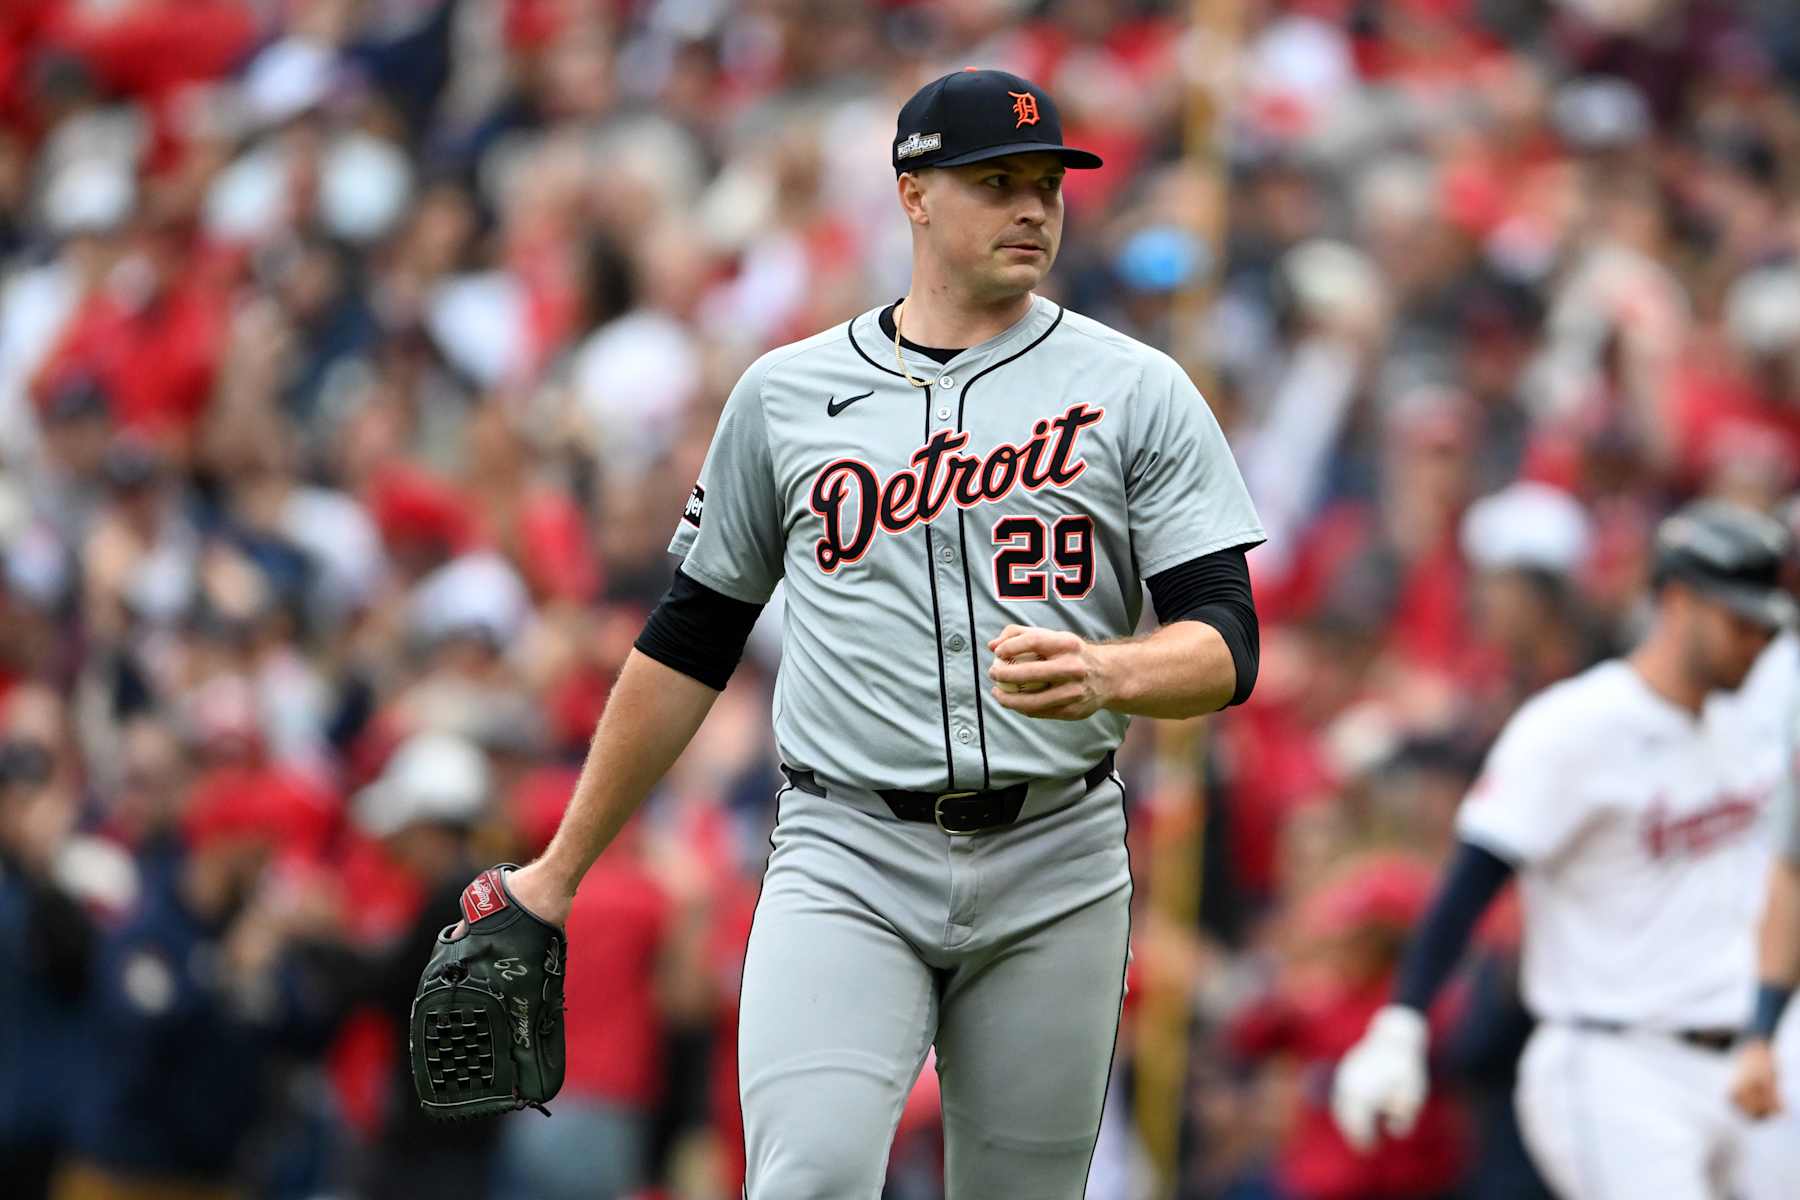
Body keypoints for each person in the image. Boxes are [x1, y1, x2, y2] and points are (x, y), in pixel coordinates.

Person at [472, 67, 1265, 1197]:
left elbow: (1227, 642)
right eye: (998, 182)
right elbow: (690, 639)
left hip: (1059, 857)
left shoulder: (1139, 389)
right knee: (808, 1179)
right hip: (848, 851)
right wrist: (559, 869)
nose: (1035, 209)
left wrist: (1110, 668)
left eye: (1047, 184)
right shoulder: (785, 394)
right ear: (914, 194)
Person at [1330, 500, 1797, 1200]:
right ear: (1676, 601)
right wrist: (1402, 1025)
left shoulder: (1754, 720)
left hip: (1751, 1056)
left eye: (1765, 628)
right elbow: (1471, 880)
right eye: (1739, 622)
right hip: (1618, 1064)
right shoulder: (1576, 726)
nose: (1754, 643)